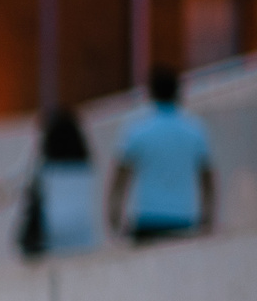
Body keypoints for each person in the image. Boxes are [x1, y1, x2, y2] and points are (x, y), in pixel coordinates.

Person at [109, 64, 214, 244]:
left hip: (148, 219)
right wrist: (208, 216)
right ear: (178, 91)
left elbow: (120, 178)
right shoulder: (195, 129)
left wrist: (115, 216)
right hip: (184, 219)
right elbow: (207, 179)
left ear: (151, 92)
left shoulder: (137, 130)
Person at [19, 108, 97, 258]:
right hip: (84, 235)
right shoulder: (88, 169)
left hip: (52, 237)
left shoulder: (45, 171)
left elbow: (33, 202)